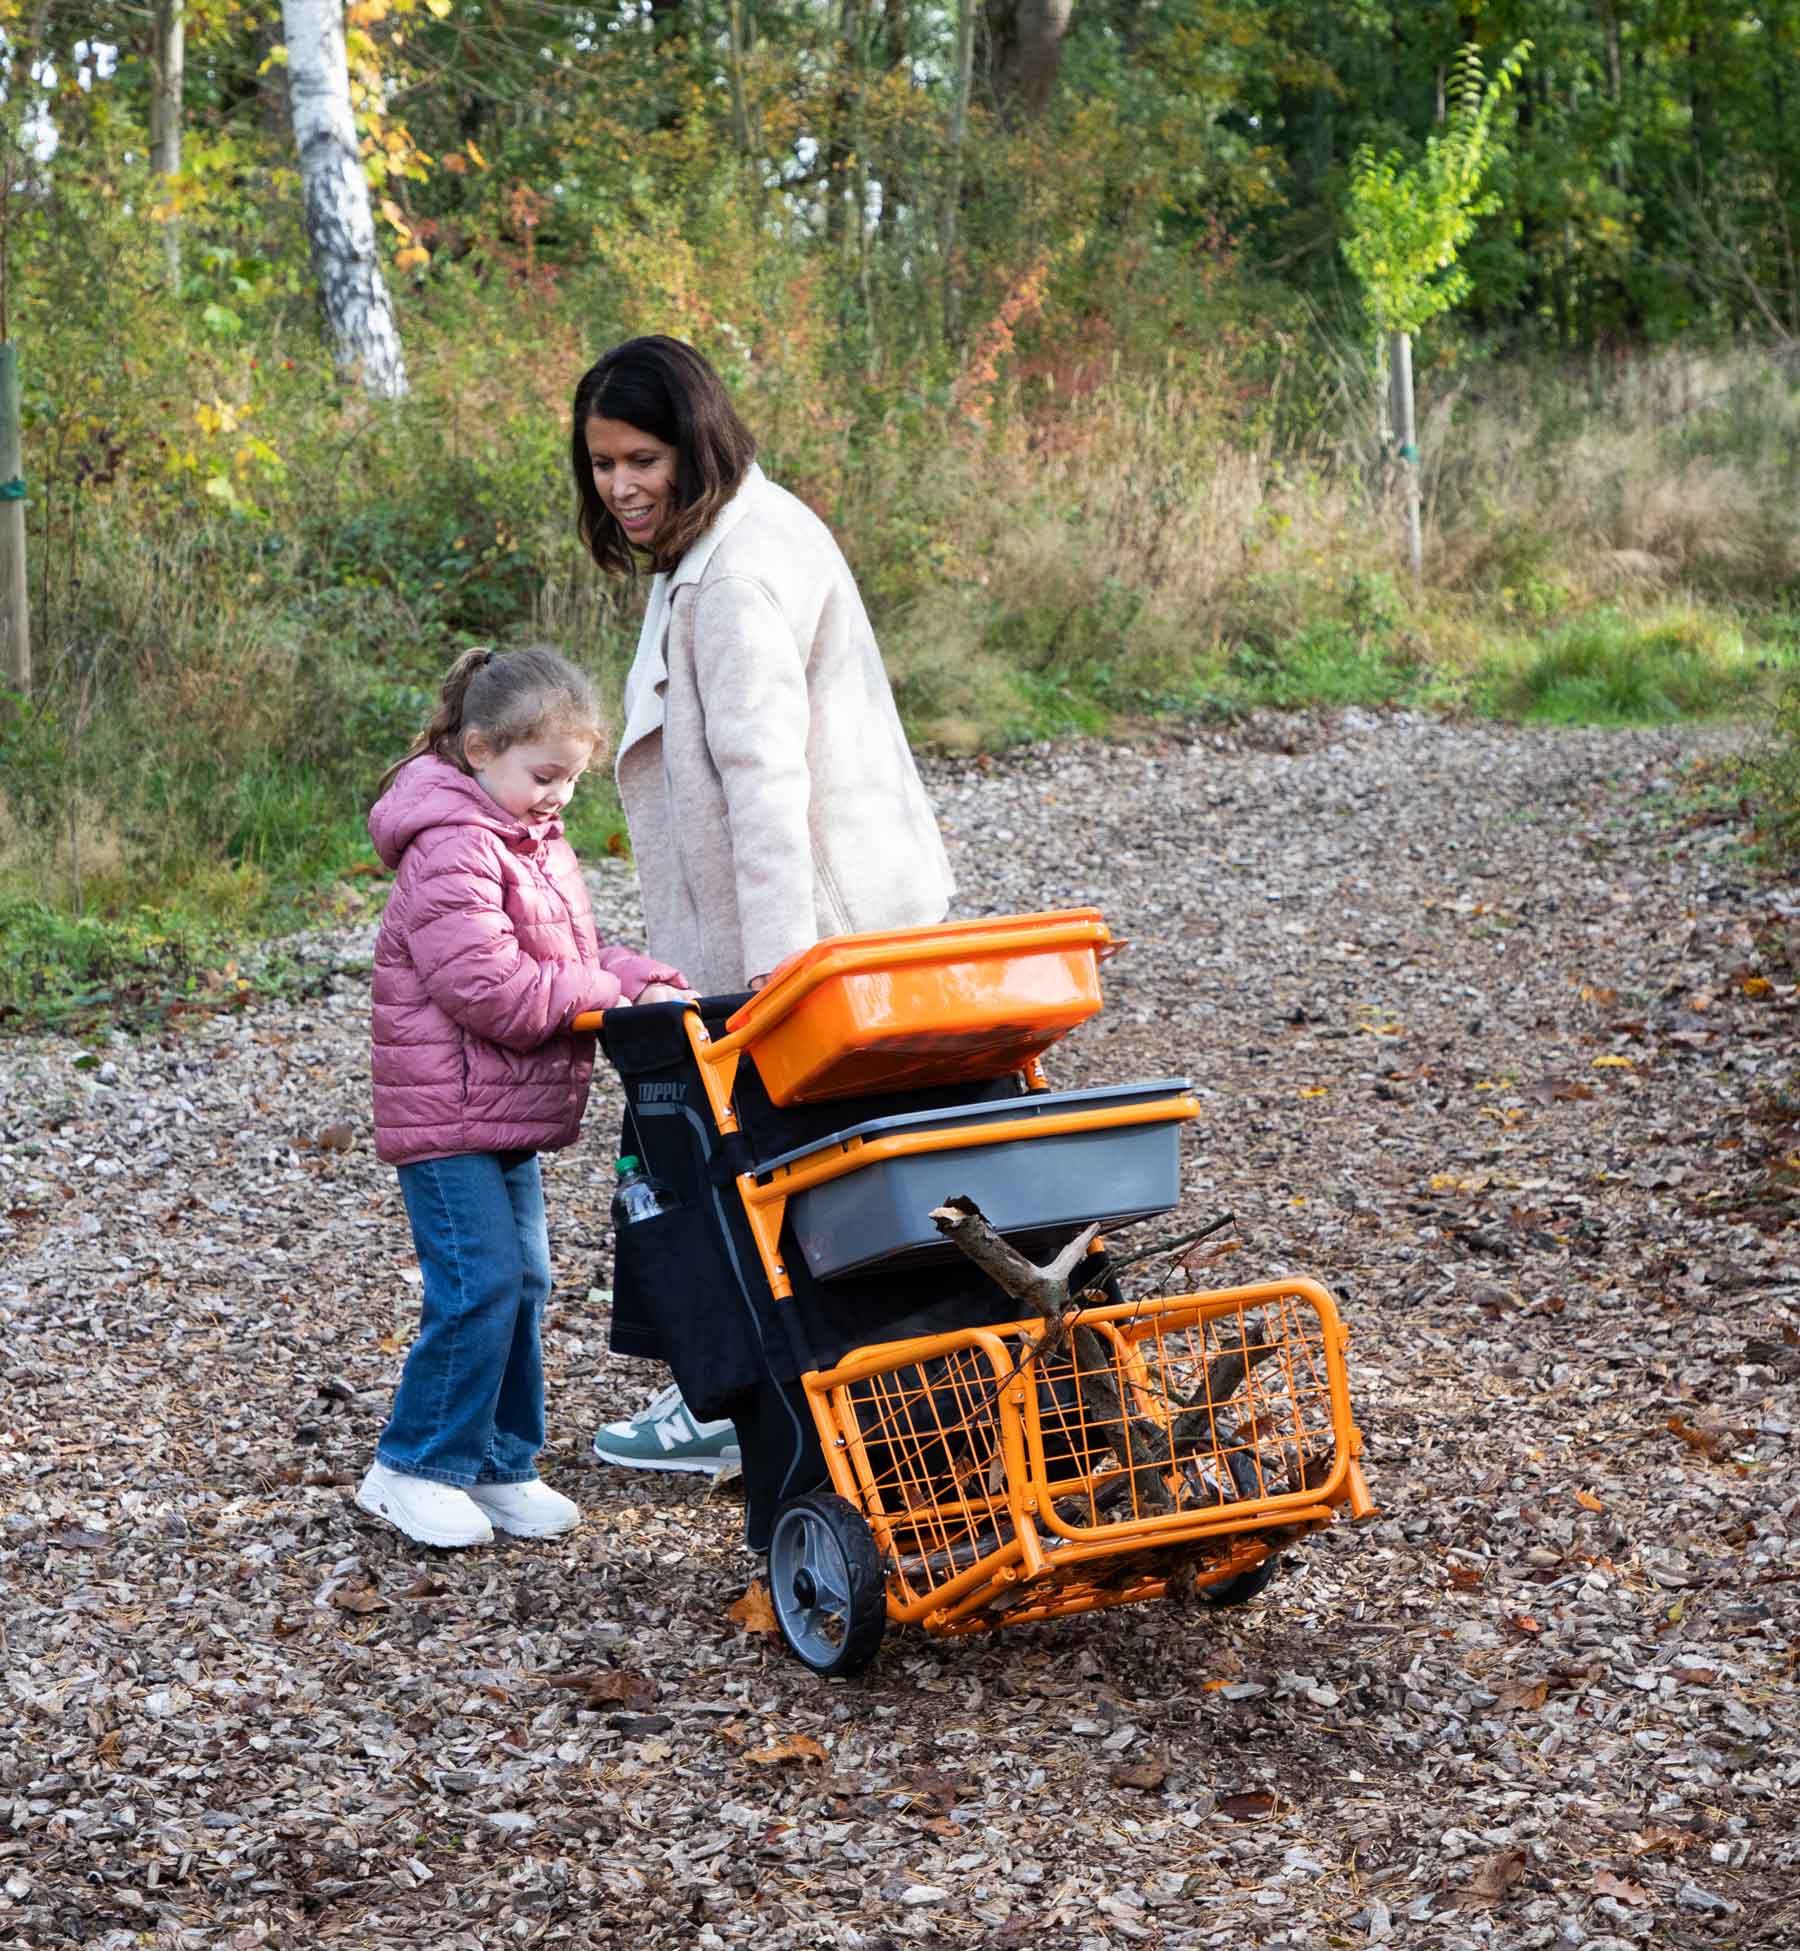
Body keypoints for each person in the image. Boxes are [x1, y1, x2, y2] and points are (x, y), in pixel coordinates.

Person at [570, 334, 956, 1474]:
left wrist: (776, 990)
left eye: (642, 457)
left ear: (695, 441)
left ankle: (746, 1406)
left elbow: (766, 788)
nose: (622, 485)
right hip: (854, 908)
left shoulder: (734, 576)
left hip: (809, 931)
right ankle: (806, 1397)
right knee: (817, 1174)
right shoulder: (744, 526)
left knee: (751, 1165)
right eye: (600, 464)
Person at [356, 644, 690, 1548]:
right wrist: (605, 998)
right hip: (448, 1110)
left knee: (525, 1281)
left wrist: (644, 979)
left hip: (498, 1111)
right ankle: (413, 1465)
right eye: (545, 775)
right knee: (479, 1284)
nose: (559, 797)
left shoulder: (530, 840)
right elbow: (492, 989)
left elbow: (571, 954)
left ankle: (499, 1461)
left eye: (572, 780)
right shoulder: (452, 848)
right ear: (477, 750)